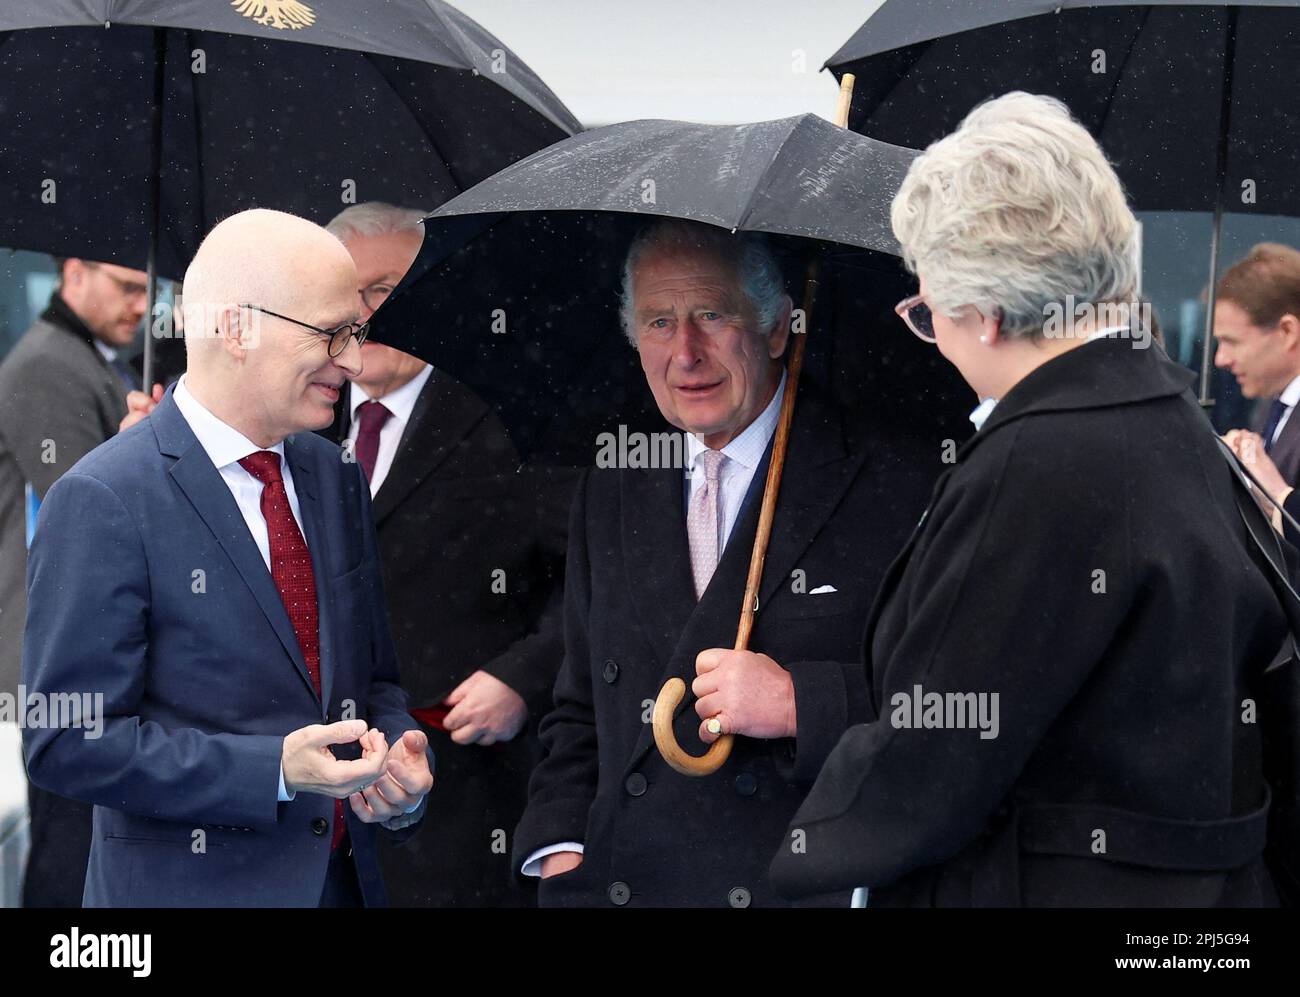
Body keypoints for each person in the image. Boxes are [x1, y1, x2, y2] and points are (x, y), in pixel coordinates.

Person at [743, 92, 1290, 906]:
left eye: (927, 310)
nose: (932, 335)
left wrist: (792, 860)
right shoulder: (1174, 419)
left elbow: (940, 744)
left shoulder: (1041, 462)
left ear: (989, 312)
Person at [22, 209, 433, 907]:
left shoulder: (333, 477)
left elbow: (374, 681)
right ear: (239, 327)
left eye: (356, 333)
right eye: (333, 333)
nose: (356, 360)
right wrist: (271, 768)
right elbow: (66, 739)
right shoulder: (105, 495)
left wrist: (396, 760)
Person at [513, 218, 930, 907]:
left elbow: (936, 705)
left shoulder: (892, 481)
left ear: (774, 328)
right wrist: (561, 851)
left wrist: (802, 703)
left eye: (711, 314)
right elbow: (581, 705)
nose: (686, 351)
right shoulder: (613, 478)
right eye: (657, 322)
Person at [322, 203, 572, 906]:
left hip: (466, 788)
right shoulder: (302, 415)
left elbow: (589, 576)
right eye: (349, 292)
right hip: (320, 795)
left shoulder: (516, 412)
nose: (365, 312)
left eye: (386, 289)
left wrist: (523, 675)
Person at [0, 256, 147, 907]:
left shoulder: (82, 356)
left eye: (147, 291)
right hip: (63, 651)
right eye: (127, 287)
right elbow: (84, 509)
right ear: (73, 273)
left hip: (78, 642)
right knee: (68, 847)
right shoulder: (47, 364)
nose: (141, 306)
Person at [1214, 243, 1300, 483]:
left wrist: (1274, 494)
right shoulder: (1270, 408)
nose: (1220, 359)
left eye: (1231, 341)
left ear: (1286, 332)